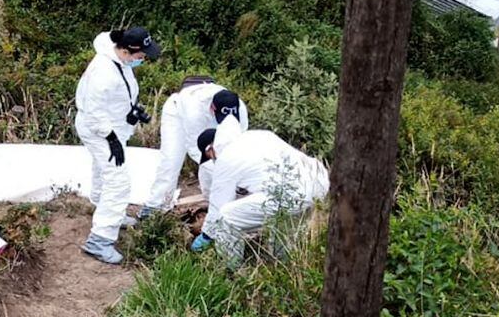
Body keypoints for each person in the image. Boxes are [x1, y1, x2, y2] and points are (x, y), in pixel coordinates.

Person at [74, 26, 162, 264]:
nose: (142, 60)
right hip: (99, 129)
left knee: (104, 171)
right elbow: (94, 112)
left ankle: (106, 208)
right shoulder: (104, 72)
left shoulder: (118, 63)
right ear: (126, 50)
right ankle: (99, 239)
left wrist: (132, 114)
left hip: (113, 125)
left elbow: (118, 96)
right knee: (118, 180)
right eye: (141, 56)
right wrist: (110, 137)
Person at [192, 121, 330, 268]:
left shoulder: (226, 158)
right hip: (317, 183)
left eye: (208, 155)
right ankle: (286, 269)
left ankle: (231, 271)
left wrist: (206, 235)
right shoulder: (258, 136)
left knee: (226, 217)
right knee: (283, 231)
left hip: (291, 194)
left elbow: (218, 205)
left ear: (211, 149)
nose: (212, 159)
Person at [139, 81, 248, 215]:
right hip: (177, 113)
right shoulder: (194, 110)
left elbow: (238, 143)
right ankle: (155, 207)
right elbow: (197, 149)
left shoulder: (240, 108)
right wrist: (222, 168)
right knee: (171, 160)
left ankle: (216, 201)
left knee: (223, 158)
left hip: (204, 115)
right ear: (212, 108)